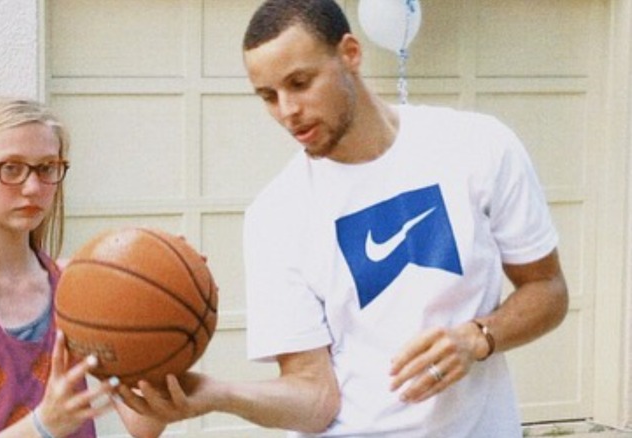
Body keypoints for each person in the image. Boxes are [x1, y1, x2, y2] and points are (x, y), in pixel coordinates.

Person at [115, 0, 569, 437]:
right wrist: (219, 395)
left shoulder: (477, 146)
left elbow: (547, 289)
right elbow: (315, 398)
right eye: (268, 95)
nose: (287, 111)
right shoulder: (275, 217)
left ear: (350, 53)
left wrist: (477, 338)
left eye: (300, 82)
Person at [0, 98, 165, 438]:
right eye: (11, 167)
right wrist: (43, 425)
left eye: (46, 168)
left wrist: (161, 331)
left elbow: (145, 425)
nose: (33, 187)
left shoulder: (76, 284)